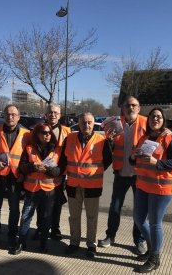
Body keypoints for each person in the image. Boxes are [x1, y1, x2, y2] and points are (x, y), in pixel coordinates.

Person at [131, 107, 172, 273]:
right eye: (153, 116)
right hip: (143, 185)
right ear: (148, 120)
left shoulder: (170, 138)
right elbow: (135, 160)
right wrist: (133, 157)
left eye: (159, 117)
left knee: (154, 223)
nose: (155, 119)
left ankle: (154, 257)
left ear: (163, 120)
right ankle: (153, 248)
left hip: (162, 188)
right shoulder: (144, 138)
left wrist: (157, 163)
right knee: (139, 219)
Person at [98, 96, 147, 255]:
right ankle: (110, 236)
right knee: (115, 208)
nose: (131, 108)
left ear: (138, 108)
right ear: (123, 108)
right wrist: (109, 141)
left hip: (140, 175)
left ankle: (139, 240)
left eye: (134, 105)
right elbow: (110, 149)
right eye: (128, 105)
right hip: (121, 174)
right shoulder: (115, 124)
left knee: (140, 211)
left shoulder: (146, 123)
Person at [59, 112, 112, 258]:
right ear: (78, 123)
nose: (86, 125)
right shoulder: (69, 138)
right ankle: (74, 242)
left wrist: (93, 170)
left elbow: (107, 160)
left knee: (92, 217)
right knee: (74, 216)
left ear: (93, 123)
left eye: (89, 122)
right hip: (73, 185)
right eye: (83, 122)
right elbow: (63, 159)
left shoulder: (101, 140)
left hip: (92, 185)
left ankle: (91, 245)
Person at [11, 123, 61, 255]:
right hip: (31, 189)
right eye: (44, 133)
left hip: (48, 190)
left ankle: (44, 243)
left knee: (46, 218)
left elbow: (59, 171)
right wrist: (33, 167)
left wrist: (47, 169)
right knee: (26, 217)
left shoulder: (56, 150)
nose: (47, 135)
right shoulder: (29, 148)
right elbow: (22, 166)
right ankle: (21, 243)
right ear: (37, 134)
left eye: (49, 132)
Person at [0, 104, 30, 253]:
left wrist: (24, 173)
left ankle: (11, 237)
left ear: (18, 117)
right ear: (3, 116)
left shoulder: (26, 134)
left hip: (15, 177)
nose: (10, 117)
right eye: (7, 114)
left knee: (14, 209)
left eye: (13, 114)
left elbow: (29, 157)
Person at [33, 104, 70, 241]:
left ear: (60, 115)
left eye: (55, 113)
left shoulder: (67, 131)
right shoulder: (39, 129)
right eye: (50, 112)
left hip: (59, 172)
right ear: (46, 114)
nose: (52, 115)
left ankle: (55, 228)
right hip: (41, 173)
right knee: (41, 204)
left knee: (57, 203)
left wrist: (63, 172)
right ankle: (40, 228)